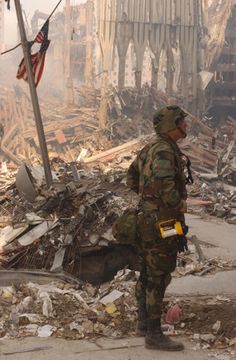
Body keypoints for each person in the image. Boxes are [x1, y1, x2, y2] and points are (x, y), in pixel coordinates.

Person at [126, 105, 190, 351]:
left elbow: (131, 178)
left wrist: (148, 200)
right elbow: (165, 186)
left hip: (147, 220)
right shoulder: (164, 151)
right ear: (172, 125)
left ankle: (144, 323)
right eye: (182, 121)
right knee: (159, 274)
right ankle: (154, 333)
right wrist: (178, 203)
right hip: (164, 223)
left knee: (147, 271)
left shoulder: (150, 148)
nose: (185, 125)